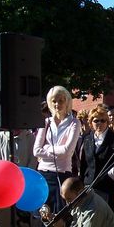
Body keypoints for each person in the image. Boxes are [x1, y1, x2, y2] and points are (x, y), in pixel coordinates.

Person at [33, 86, 81, 214]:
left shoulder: (74, 123)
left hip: (62, 174)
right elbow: (36, 150)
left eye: (60, 100)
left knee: (60, 215)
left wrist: (47, 148)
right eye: (54, 101)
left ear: (67, 102)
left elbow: (67, 150)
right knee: (43, 213)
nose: (57, 104)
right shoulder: (46, 123)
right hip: (43, 174)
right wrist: (57, 151)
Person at [80, 106, 114, 217]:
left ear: (107, 122)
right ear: (91, 122)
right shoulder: (87, 139)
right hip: (89, 185)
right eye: (96, 120)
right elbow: (83, 164)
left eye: (103, 120)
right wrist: (80, 184)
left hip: (107, 186)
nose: (99, 123)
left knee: (105, 218)